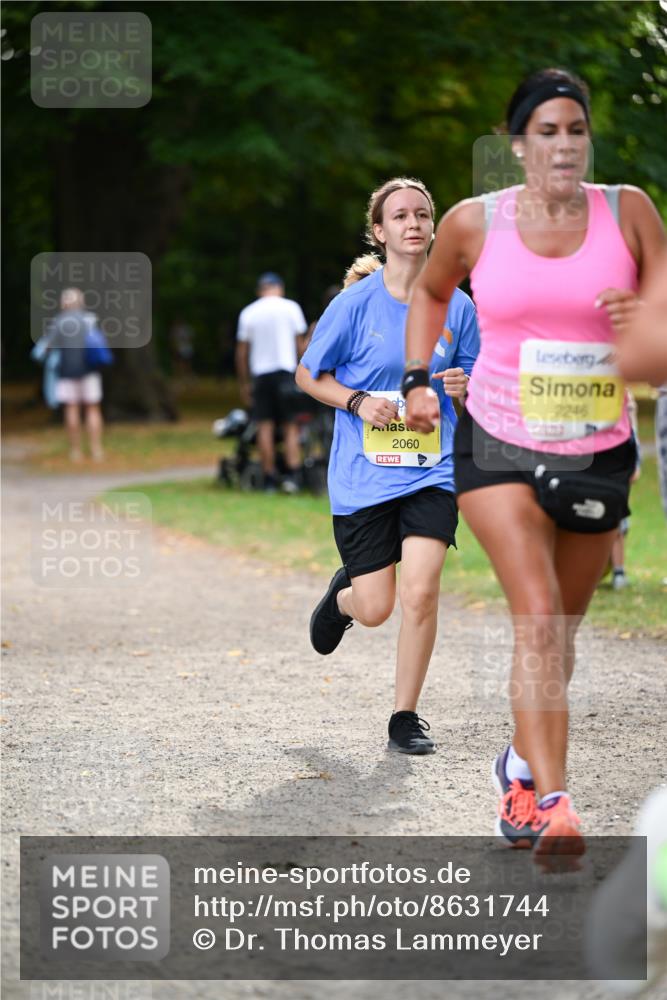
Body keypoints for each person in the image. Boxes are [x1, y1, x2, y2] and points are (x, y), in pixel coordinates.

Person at [403, 69, 666, 866]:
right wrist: (418, 378)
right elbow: (430, 291)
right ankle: (554, 804)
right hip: (496, 440)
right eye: (545, 131)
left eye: (574, 130)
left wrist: (641, 325)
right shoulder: (471, 222)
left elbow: (658, 342)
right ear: (516, 143)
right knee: (538, 612)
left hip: (595, 445)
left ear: (588, 138)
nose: (562, 145)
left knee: (562, 632)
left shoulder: (628, 213)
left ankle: (517, 770)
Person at [296, 177, 480, 754]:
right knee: (376, 608)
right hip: (365, 477)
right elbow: (307, 375)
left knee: (420, 592)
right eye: (399, 215)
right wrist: (356, 401)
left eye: (423, 214)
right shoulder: (353, 304)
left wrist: (462, 384)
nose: (413, 223)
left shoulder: (459, 304)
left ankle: (405, 716)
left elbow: (476, 380)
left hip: (433, 470)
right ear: (380, 232)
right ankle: (343, 600)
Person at [236, 272, 308, 493]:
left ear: (260, 290)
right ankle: (293, 475)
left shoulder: (249, 312)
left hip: (261, 375)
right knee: (290, 426)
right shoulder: (291, 308)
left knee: (264, 427)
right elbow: (301, 347)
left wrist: (244, 382)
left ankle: (268, 478)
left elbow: (241, 352)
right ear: (280, 287)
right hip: (286, 373)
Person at [49, 288, 105, 462]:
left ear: (64, 303)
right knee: (93, 408)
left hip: (67, 372)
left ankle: (75, 451)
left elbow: (49, 346)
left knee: (72, 409)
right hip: (89, 371)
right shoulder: (89, 320)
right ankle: (96, 449)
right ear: (81, 302)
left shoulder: (58, 322)